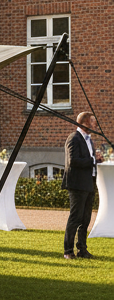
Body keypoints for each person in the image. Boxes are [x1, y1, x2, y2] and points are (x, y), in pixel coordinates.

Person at [62, 111, 104, 260]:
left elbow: (88, 159)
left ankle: (82, 249)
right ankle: (68, 251)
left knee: (85, 218)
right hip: (77, 184)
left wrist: (96, 159)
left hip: (89, 182)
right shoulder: (74, 138)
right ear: (85, 123)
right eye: (92, 122)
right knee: (75, 217)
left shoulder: (89, 140)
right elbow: (72, 161)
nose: (95, 125)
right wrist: (92, 160)